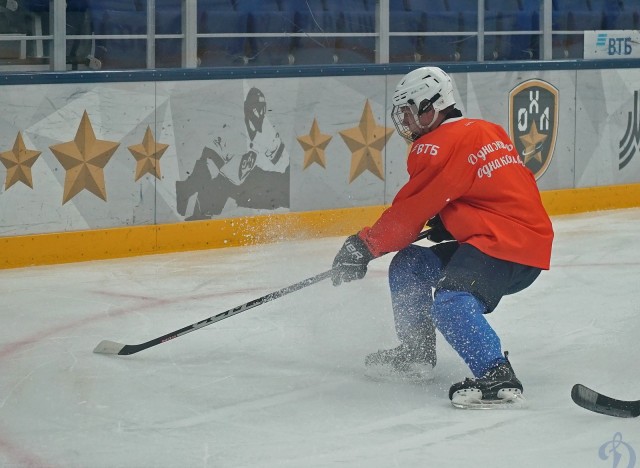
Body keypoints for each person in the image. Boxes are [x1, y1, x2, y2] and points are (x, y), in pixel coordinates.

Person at [330, 66, 554, 407]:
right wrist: (456, 219)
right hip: (516, 240)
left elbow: (407, 216)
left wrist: (363, 246)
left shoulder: (434, 146)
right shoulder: (484, 129)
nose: (404, 121)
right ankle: (416, 352)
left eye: (408, 111)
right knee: (411, 264)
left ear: (430, 106)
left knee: (451, 303)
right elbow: (496, 187)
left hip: (503, 245)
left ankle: (497, 376)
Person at [176, 87, 290, 219]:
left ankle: (186, 190)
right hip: (225, 171)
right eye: (254, 107)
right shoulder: (233, 127)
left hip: (245, 175)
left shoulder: (268, 130)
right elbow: (210, 153)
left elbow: (282, 160)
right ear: (247, 108)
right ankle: (189, 196)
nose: (259, 112)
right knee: (211, 175)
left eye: (261, 107)